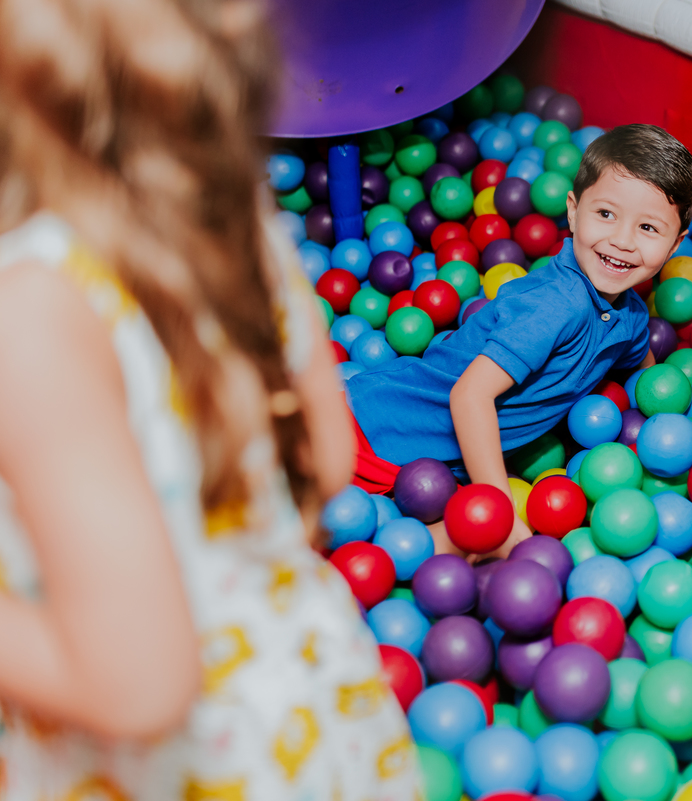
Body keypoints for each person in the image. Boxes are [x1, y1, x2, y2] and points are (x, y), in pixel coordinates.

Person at [0, 1, 417, 798]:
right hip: (317, 714)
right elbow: (325, 464)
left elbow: (137, 684)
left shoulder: (31, 309)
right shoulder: (229, 210)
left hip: (182, 773)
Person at [347, 124, 692, 555]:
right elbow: (469, 396)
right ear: (573, 212)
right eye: (605, 214)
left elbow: (647, 380)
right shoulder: (556, 304)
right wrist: (500, 509)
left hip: (419, 467)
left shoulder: (629, 318)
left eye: (648, 228)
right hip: (370, 429)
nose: (622, 241)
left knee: (446, 544)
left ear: (676, 244)